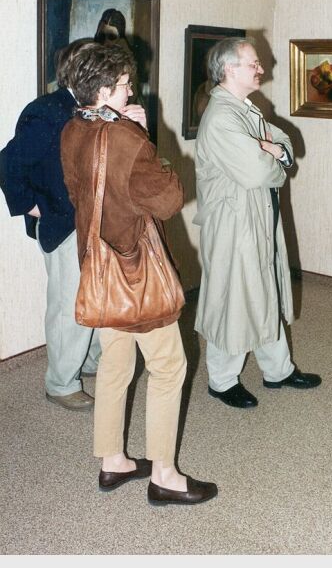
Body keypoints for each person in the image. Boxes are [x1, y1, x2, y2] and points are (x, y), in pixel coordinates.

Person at [61, 42, 217, 504]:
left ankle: (113, 461)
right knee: (170, 367)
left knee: (115, 361)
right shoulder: (127, 138)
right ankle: (164, 476)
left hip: (100, 267)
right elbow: (169, 199)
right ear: (106, 90)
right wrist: (148, 140)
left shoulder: (72, 130)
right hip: (136, 273)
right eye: (126, 84)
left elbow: (79, 193)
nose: (132, 89)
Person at [194, 37, 321, 408]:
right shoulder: (221, 116)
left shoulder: (243, 108)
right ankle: (221, 380)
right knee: (232, 297)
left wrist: (273, 150)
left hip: (255, 215)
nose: (261, 69)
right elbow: (254, 172)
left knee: (265, 290)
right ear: (230, 69)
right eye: (253, 63)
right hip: (233, 221)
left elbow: (282, 143)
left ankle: (277, 369)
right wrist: (271, 157)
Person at [0, 38, 102, 410]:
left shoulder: (94, 107)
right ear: (84, 71)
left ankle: (87, 363)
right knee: (67, 305)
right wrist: (31, 206)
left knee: (91, 298)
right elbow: (9, 163)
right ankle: (60, 383)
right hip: (62, 224)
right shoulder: (47, 111)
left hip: (93, 220)